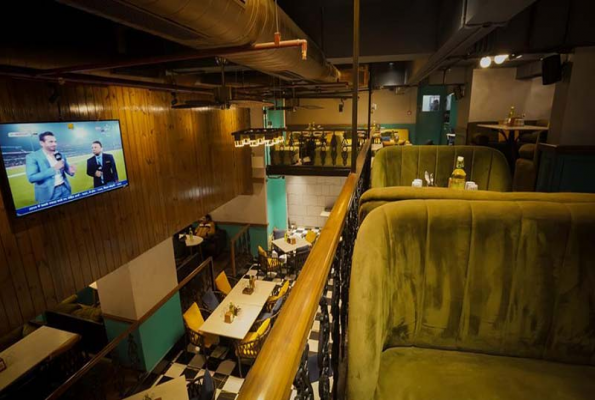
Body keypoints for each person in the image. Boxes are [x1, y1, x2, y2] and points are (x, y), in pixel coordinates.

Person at [25, 131, 76, 203]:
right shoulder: (32, 157)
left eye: (55, 141)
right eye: (51, 142)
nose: (54, 144)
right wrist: (54, 169)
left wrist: (72, 171)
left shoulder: (60, 154)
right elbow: (32, 178)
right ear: (42, 143)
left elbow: (68, 170)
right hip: (48, 194)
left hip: (65, 189)